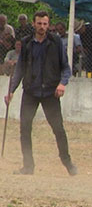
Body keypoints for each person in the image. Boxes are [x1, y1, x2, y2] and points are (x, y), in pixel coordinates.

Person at [4, 11, 77, 176]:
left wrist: (62, 83)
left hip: (51, 92)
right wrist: (11, 91)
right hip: (30, 91)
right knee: (25, 128)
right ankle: (28, 166)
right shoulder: (26, 42)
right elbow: (20, 68)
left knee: (58, 129)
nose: (42, 27)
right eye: (39, 23)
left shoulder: (56, 42)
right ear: (34, 24)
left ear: (48, 25)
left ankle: (68, 163)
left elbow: (66, 67)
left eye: (45, 24)